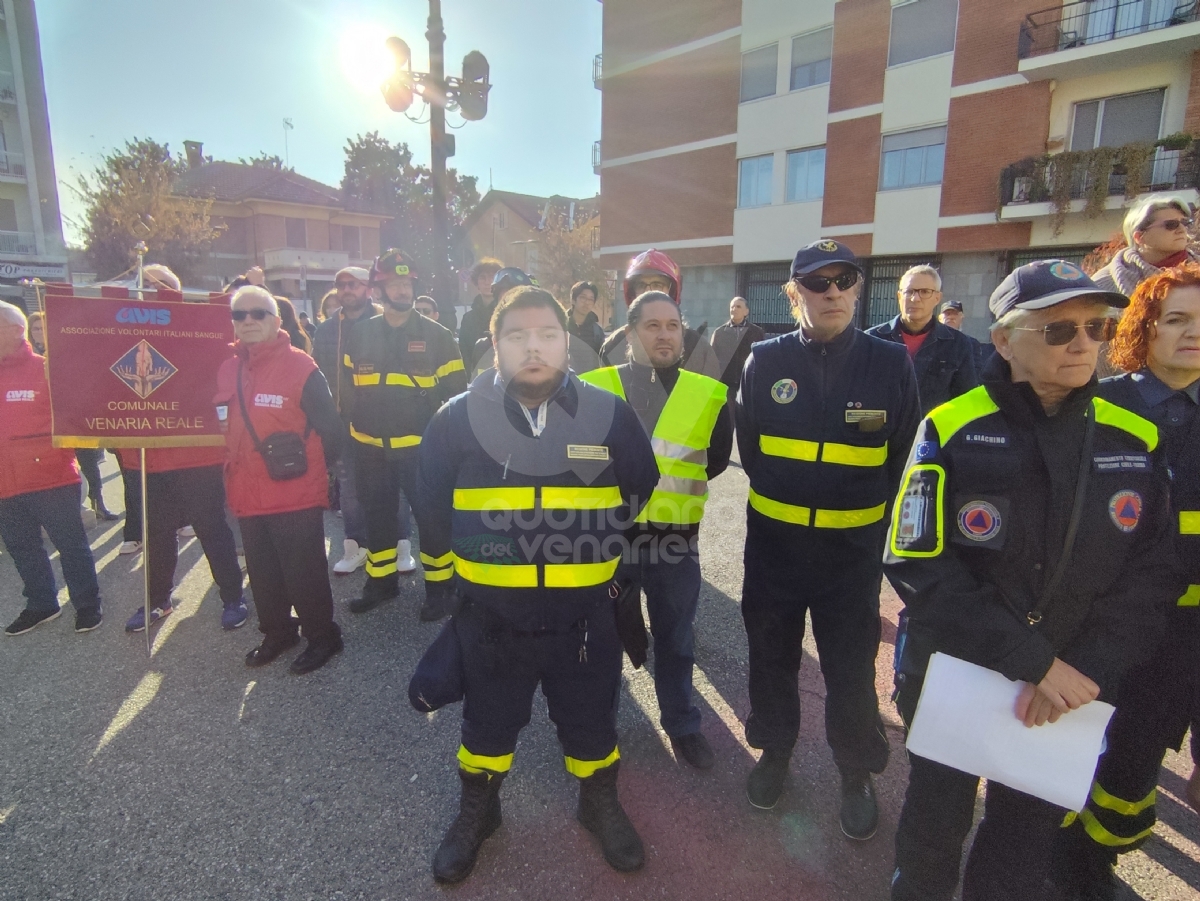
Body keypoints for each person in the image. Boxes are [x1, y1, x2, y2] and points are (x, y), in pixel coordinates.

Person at [883, 260, 1181, 901]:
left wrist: (1079, 669)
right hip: (956, 673)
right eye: (1057, 330)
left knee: (1021, 845)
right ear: (1003, 340)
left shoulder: (1136, 435)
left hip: (1071, 689)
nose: (1083, 343)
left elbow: (1152, 577)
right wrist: (1034, 662)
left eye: (1096, 327)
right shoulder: (949, 427)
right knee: (933, 829)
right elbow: (916, 561)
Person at [415, 285, 659, 882]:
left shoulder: (608, 414)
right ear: (494, 346)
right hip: (492, 619)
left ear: (566, 344)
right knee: (487, 726)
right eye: (517, 336)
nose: (534, 347)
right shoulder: (456, 420)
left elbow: (639, 485)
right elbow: (429, 501)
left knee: (591, 722)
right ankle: (480, 811)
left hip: (583, 617)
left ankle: (596, 803)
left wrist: (594, 551)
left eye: (548, 335)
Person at [735, 239, 920, 838]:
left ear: (858, 289)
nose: (834, 291)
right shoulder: (764, 360)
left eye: (845, 280)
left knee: (849, 669)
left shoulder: (890, 364)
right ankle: (776, 753)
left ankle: (855, 771)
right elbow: (753, 449)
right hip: (775, 551)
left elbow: (902, 457)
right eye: (818, 282)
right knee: (771, 659)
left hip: (850, 558)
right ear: (794, 294)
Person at [1053, 263, 1200, 897]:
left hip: (1185, 633)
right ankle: (1056, 857)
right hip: (1100, 621)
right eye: (1177, 320)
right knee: (1074, 744)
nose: (1192, 334)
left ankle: (1096, 864)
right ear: (1145, 328)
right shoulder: (1099, 405)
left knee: (1138, 755)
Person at [580, 292, 731, 769]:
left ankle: (682, 724)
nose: (665, 334)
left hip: (674, 542)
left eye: (673, 325)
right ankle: (597, 728)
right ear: (629, 333)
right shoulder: (592, 388)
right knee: (600, 642)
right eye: (652, 326)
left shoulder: (708, 393)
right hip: (607, 543)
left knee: (676, 640)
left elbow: (718, 461)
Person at [215, 287, 345, 674]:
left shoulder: (301, 366)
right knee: (263, 573)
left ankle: (323, 637)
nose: (249, 321)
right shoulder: (229, 367)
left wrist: (314, 475)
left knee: (303, 572)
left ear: (276, 320)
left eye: (258, 313)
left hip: (293, 492)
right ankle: (278, 632)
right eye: (240, 315)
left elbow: (332, 430)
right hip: (247, 491)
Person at [343, 249, 467, 618]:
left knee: (432, 520)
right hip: (369, 450)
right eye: (393, 283)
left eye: (407, 283)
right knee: (376, 516)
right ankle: (381, 583)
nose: (402, 289)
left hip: (421, 453)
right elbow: (347, 394)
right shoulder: (359, 335)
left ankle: (440, 589)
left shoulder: (438, 336)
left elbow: (458, 399)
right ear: (378, 290)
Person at [0, 301, 104, 635]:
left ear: (16, 331)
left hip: (51, 478)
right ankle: (42, 603)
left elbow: (77, 419)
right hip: (5, 484)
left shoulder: (47, 369)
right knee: (22, 548)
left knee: (71, 546)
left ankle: (87, 604)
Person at [313, 266, 382, 574]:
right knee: (349, 488)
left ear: (368, 288)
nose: (346, 289)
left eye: (353, 284)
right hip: (342, 422)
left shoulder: (384, 322)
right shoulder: (327, 329)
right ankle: (355, 545)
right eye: (340, 285)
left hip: (381, 421)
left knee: (388, 486)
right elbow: (318, 376)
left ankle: (398, 543)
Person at [866, 265, 979, 416]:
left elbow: (965, 400)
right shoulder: (872, 339)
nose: (915, 298)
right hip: (883, 435)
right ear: (899, 296)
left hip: (933, 435)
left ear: (937, 298)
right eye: (909, 291)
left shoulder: (958, 344)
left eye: (925, 292)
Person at [600, 249, 721, 380]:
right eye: (641, 285)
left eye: (657, 284)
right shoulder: (612, 346)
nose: (648, 291)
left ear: (672, 291)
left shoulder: (697, 348)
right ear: (632, 293)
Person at [1091, 196, 1199, 296]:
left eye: (1185, 223)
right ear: (1139, 237)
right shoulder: (1102, 285)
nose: (1182, 230)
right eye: (1171, 225)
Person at [710, 296, 765, 392]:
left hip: (748, 382)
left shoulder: (757, 332)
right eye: (732, 307)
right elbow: (712, 358)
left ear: (746, 311)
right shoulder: (719, 333)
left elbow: (762, 358)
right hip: (725, 384)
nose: (734, 309)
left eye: (738, 307)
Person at [458, 257, 504, 371]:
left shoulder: (506, 313)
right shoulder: (468, 318)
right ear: (476, 282)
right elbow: (464, 352)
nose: (487, 282)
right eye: (482, 277)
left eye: (492, 277)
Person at [566, 281, 606, 355]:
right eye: (583, 297)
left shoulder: (597, 332)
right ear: (573, 300)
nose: (587, 302)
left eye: (591, 299)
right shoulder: (562, 326)